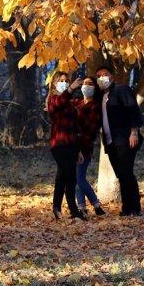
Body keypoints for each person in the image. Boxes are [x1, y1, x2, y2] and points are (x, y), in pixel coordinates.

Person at [95, 65, 143, 217]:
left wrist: (134, 132)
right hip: (110, 142)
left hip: (125, 139)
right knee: (121, 175)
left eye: (105, 74)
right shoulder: (101, 96)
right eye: (99, 75)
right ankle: (126, 208)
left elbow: (133, 110)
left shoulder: (121, 90)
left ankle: (135, 208)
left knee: (127, 173)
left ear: (111, 77)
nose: (102, 77)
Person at [46, 71, 87, 220]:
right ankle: (70, 209)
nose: (64, 82)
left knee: (66, 176)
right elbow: (58, 103)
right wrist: (71, 89)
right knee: (67, 174)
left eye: (66, 80)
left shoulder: (69, 102)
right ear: (54, 83)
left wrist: (78, 150)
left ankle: (60, 208)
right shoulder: (52, 99)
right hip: (59, 144)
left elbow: (75, 128)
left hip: (71, 145)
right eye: (61, 80)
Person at [72, 76, 105, 216]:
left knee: (79, 178)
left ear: (95, 88)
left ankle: (97, 205)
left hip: (84, 147)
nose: (86, 86)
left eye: (90, 84)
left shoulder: (95, 107)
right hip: (72, 146)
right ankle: (82, 208)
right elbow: (61, 102)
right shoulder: (77, 103)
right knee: (76, 178)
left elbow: (89, 130)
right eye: (84, 83)